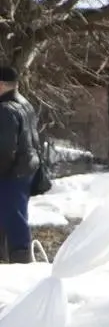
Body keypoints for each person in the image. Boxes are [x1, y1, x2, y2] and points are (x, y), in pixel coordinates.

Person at [0, 64, 42, 264]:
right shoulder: (24, 103)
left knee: (13, 218)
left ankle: (21, 265)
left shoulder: (4, 109)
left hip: (10, 172)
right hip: (25, 169)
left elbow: (5, 148)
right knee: (13, 215)